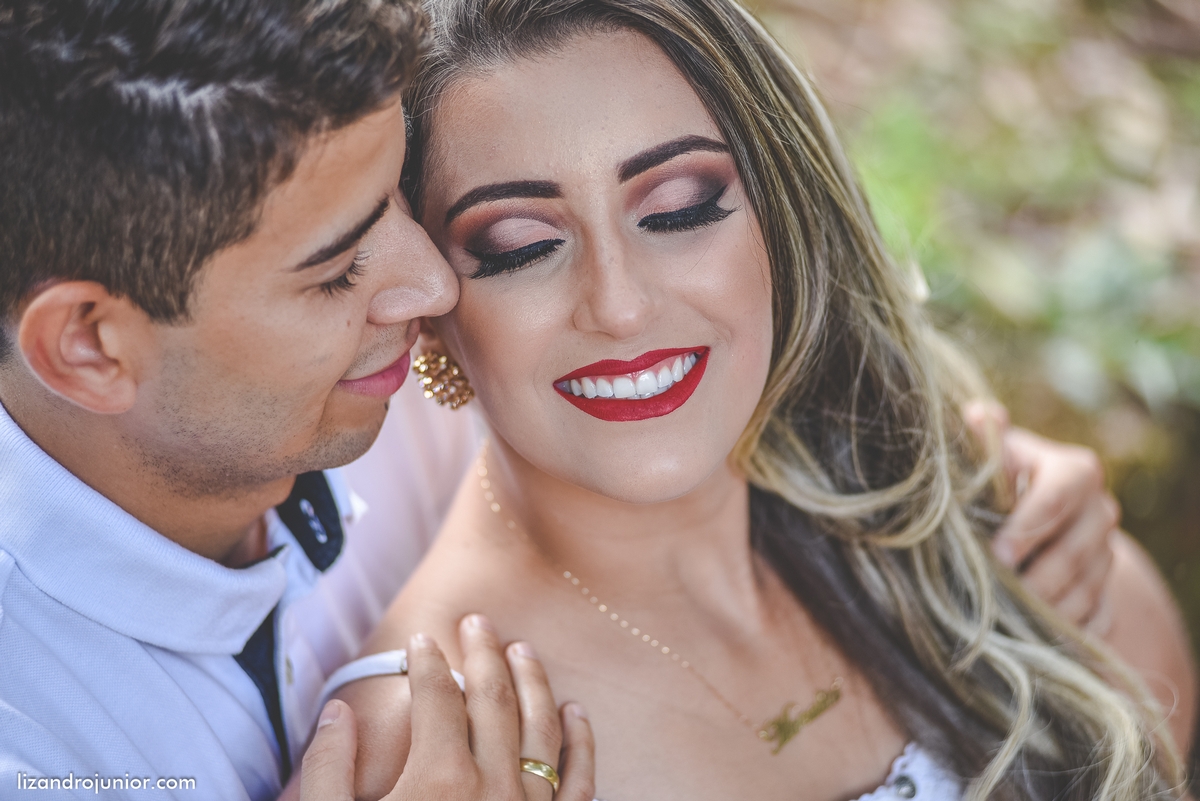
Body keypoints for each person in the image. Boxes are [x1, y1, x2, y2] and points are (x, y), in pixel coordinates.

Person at [0, 2, 1177, 800]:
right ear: (92, 347)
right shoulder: (431, 749)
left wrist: (929, 464)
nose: (619, 305)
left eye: (679, 207)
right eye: (513, 244)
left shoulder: (996, 537)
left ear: (786, 208)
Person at [0, 2, 595, 799]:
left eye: (400, 192)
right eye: (338, 269)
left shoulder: (415, 396)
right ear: (89, 344)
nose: (434, 284)